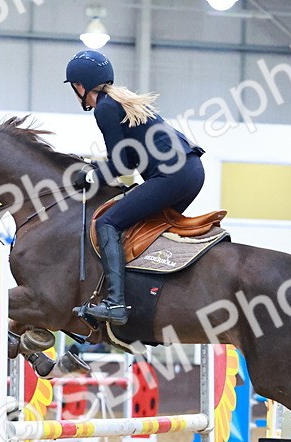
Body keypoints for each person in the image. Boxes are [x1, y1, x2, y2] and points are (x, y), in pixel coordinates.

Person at [64, 49, 205, 325]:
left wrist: (91, 177)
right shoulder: (121, 102)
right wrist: (97, 169)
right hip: (192, 171)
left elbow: (120, 165)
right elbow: (127, 159)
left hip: (172, 176)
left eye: (73, 87)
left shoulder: (105, 107)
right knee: (141, 229)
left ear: (80, 86)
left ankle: (116, 303)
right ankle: (146, 296)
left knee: (107, 223)